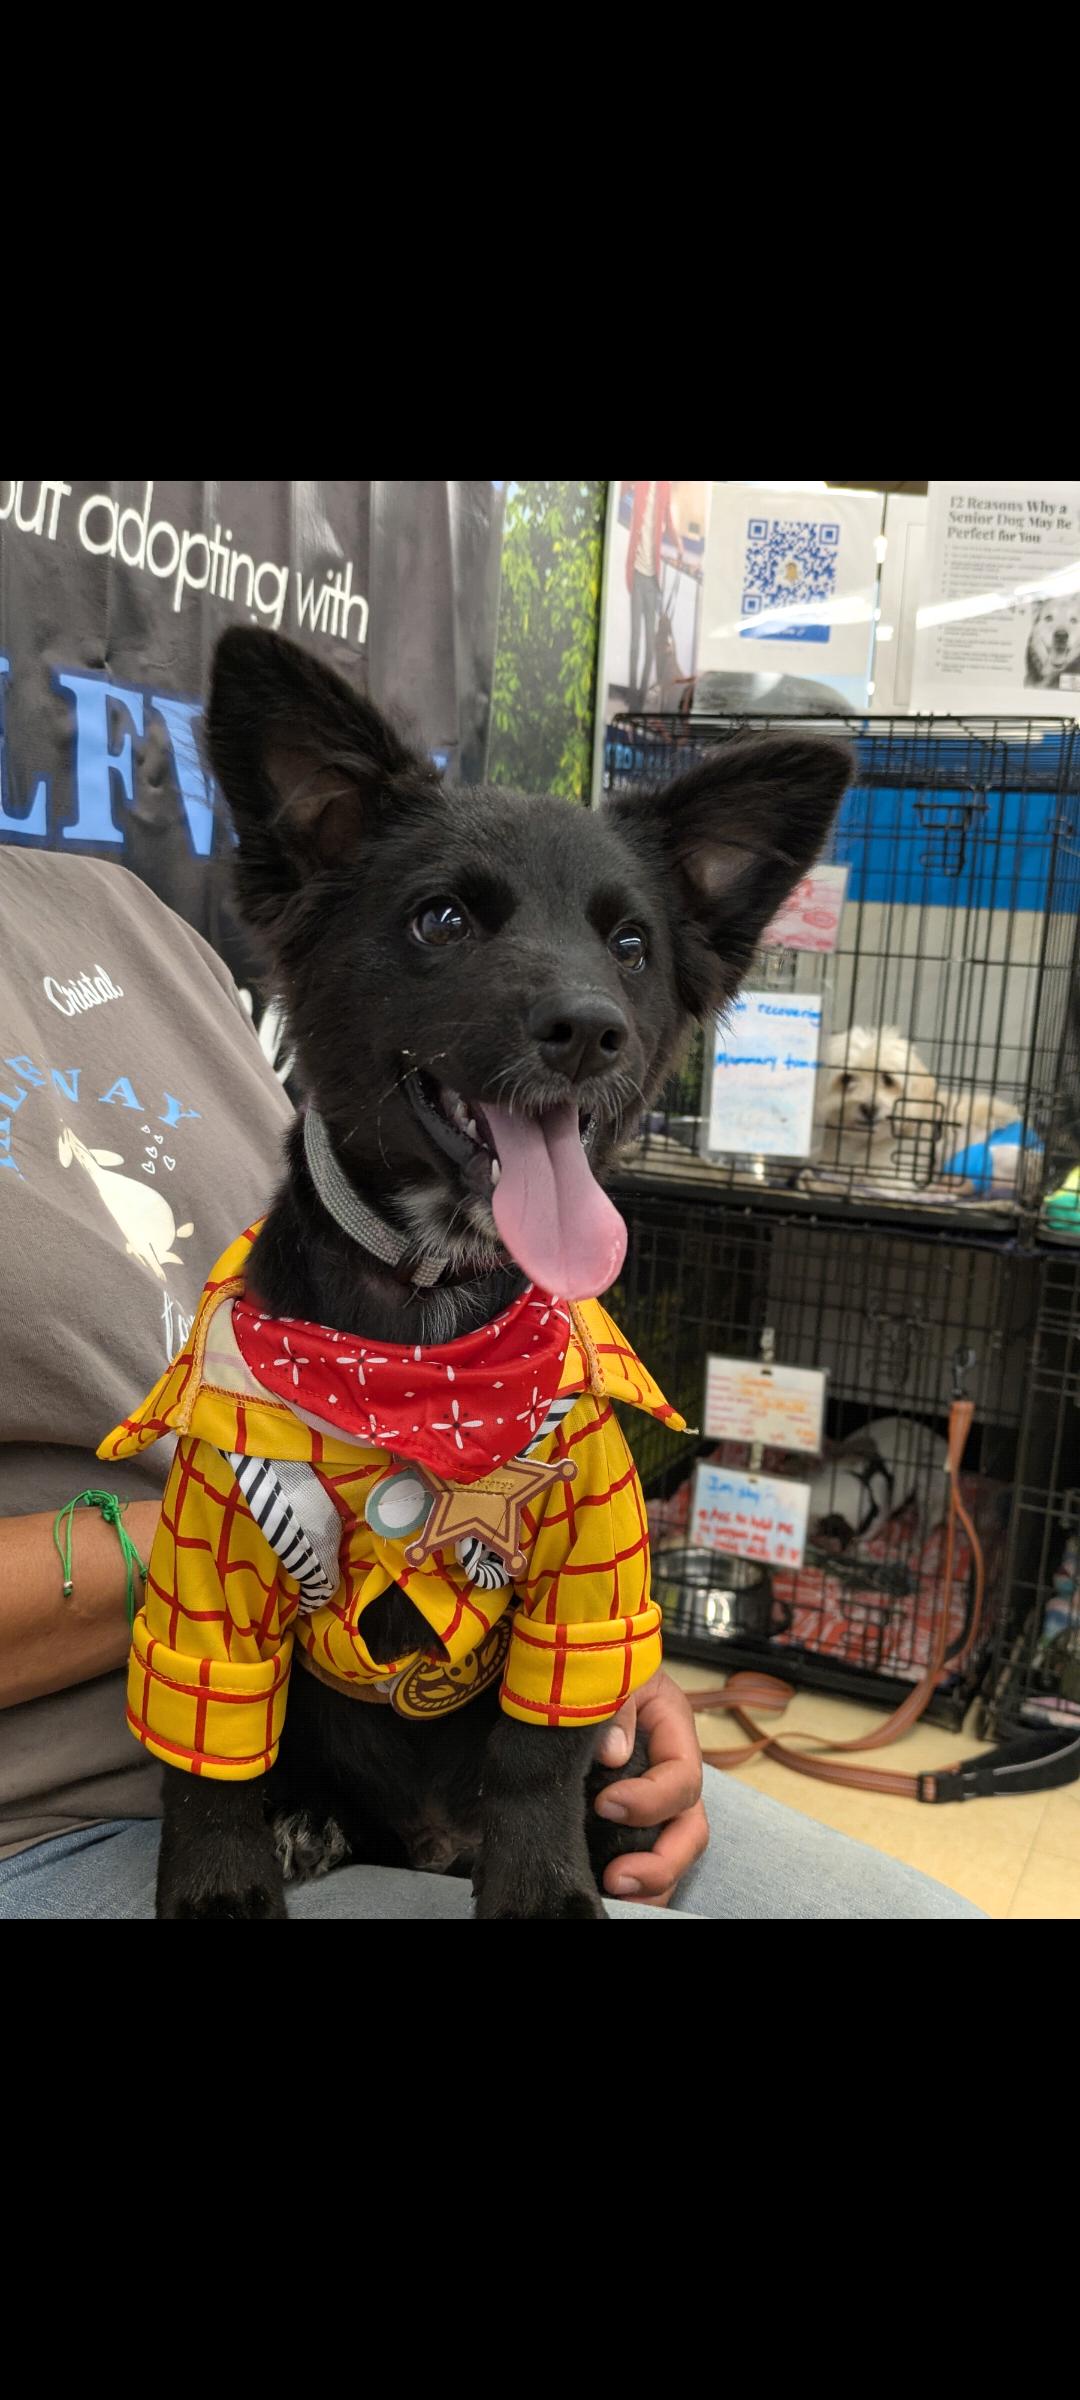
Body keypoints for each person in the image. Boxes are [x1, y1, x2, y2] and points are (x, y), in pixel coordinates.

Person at [0, 845, 982, 1919]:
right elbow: (221, 1568)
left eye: (627, 949)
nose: (589, 1006)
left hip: (495, 1730)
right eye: (445, 923)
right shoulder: (232, 1449)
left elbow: (585, 1544)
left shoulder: (118, 912)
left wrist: (605, 1661)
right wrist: (307, 1518)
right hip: (78, 1807)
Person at [625, 480, 683, 711]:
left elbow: (668, 521)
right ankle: (632, 695)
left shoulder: (664, 487)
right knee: (635, 643)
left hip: (652, 579)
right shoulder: (638, 485)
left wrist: (679, 546)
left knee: (650, 645)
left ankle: (639, 700)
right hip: (636, 574)